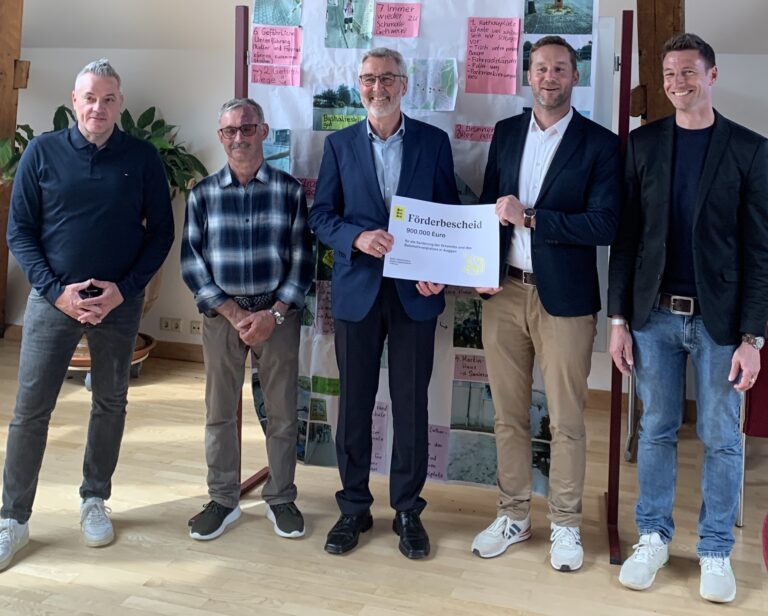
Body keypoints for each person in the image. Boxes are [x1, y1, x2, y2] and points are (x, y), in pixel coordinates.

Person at [608, 33, 768, 603]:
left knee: (722, 437)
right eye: (670, 74)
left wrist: (754, 336)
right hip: (653, 317)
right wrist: (619, 319)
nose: (678, 83)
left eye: (688, 73)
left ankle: (716, 549)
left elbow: (760, 252)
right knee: (655, 429)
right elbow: (627, 239)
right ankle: (652, 537)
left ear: (713, 75)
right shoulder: (645, 145)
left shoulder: (750, 149)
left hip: (721, 324)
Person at [0, 59, 174, 571]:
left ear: (120, 103)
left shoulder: (141, 157)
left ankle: (94, 498)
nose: (98, 107)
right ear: (74, 101)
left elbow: (160, 233)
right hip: (54, 302)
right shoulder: (42, 152)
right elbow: (20, 233)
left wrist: (124, 292)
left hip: (117, 306)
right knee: (31, 410)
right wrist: (57, 293)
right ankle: (13, 518)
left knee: (110, 402)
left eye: (108, 99)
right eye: (89, 98)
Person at [471, 35, 620, 572]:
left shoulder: (600, 144)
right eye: (540, 68)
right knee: (508, 417)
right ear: (527, 76)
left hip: (565, 300)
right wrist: (484, 272)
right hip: (504, 292)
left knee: (566, 420)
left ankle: (565, 524)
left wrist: (531, 217)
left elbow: (605, 224)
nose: (549, 76)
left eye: (560, 68)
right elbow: (491, 208)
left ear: (574, 77)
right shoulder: (507, 132)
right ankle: (512, 514)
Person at [308, 47, 460, 559]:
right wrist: (356, 238)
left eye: (388, 78)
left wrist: (439, 270)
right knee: (353, 405)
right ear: (359, 86)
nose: (378, 88)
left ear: (404, 84)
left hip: (415, 295)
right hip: (358, 293)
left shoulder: (434, 143)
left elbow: (448, 218)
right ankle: (353, 508)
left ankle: (408, 512)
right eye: (369, 79)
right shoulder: (339, 145)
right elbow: (322, 217)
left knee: (411, 406)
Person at [181, 98, 312, 541]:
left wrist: (273, 314)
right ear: (221, 137)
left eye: (247, 128)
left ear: (264, 131)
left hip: (277, 316)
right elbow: (192, 264)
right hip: (223, 318)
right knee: (219, 412)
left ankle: (281, 496)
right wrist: (235, 313)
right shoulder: (201, 194)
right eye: (230, 131)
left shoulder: (289, 191)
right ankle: (222, 498)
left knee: (281, 412)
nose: (239, 137)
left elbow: (302, 262)